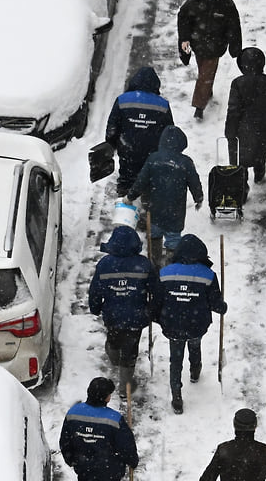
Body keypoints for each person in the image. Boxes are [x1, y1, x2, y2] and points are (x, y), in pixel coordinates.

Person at [152, 234, 227, 414]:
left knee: (175, 360)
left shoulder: (164, 273)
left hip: (173, 325)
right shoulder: (208, 275)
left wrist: (158, 318)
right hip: (196, 324)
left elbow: (156, 301)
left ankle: (176, 395)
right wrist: (222, 307)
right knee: (195, 344)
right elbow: (215, 304)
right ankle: (195, 370)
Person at [60, 377, 140, 481]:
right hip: (109, 471)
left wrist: (72, 460)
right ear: (106, 397)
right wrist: (132, 460)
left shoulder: (73, 413)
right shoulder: (114, 419)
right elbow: (126, 446)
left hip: (84, 468)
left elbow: (65, 441)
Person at [89, 225, 157, 392]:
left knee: (113, 339)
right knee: (130, 350)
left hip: (112, 315)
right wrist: (151, 310)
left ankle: (113, 356)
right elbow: (156, 291)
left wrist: (95, 307)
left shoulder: (104, 265)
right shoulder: (144, 265)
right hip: (136, 316)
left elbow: (95, 291)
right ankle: (125, 385)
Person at [126, 125, 204, 269]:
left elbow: (141, 181)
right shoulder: (185, 162)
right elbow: (195, 182)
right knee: (173, 238)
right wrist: (198, 198)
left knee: (154, 235)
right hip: (176, 211)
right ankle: (170, 266)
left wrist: (130, 196)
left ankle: (155, 264)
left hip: (155, 208)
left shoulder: (153, 158)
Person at [105, 66, 174, 196]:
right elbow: (170, 132)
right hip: (151, 153)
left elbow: (112, 127)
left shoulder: (122, 100)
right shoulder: (163, 105)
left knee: (126, 180)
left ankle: (125, 202)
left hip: (128, 150)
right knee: (149, 182)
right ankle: (147, 206)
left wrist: (111, 144)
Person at [224, 47, 266, 183]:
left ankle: (242, 185)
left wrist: (230, 130)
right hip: (264, 127)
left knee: (240, 160)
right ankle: (259, 175)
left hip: (243, 129)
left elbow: (233, 110)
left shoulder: (238, 83)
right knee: (260, 153)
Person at [177, 0, 242, 121]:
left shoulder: (226, 3)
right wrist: (185, 38)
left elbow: (234, 25)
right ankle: (207, 91)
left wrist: (234, 46)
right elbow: (183, 16)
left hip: (215, 48)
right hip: (198, 45)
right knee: (205, 73)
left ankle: (199, 106)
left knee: (205, 74)